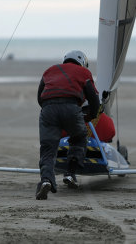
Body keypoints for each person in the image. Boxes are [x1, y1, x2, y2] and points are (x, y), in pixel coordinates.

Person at [36, 50, 99, 200]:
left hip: (47, 109)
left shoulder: (49, 70)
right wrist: (90, 116)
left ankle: (46, 181)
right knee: (79, 138)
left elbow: (40, 97)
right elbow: (94, 100)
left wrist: (50, 110)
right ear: (82, 62)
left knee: (48, 149)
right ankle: (70, 174)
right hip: (71, 107)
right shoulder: (84, 72)